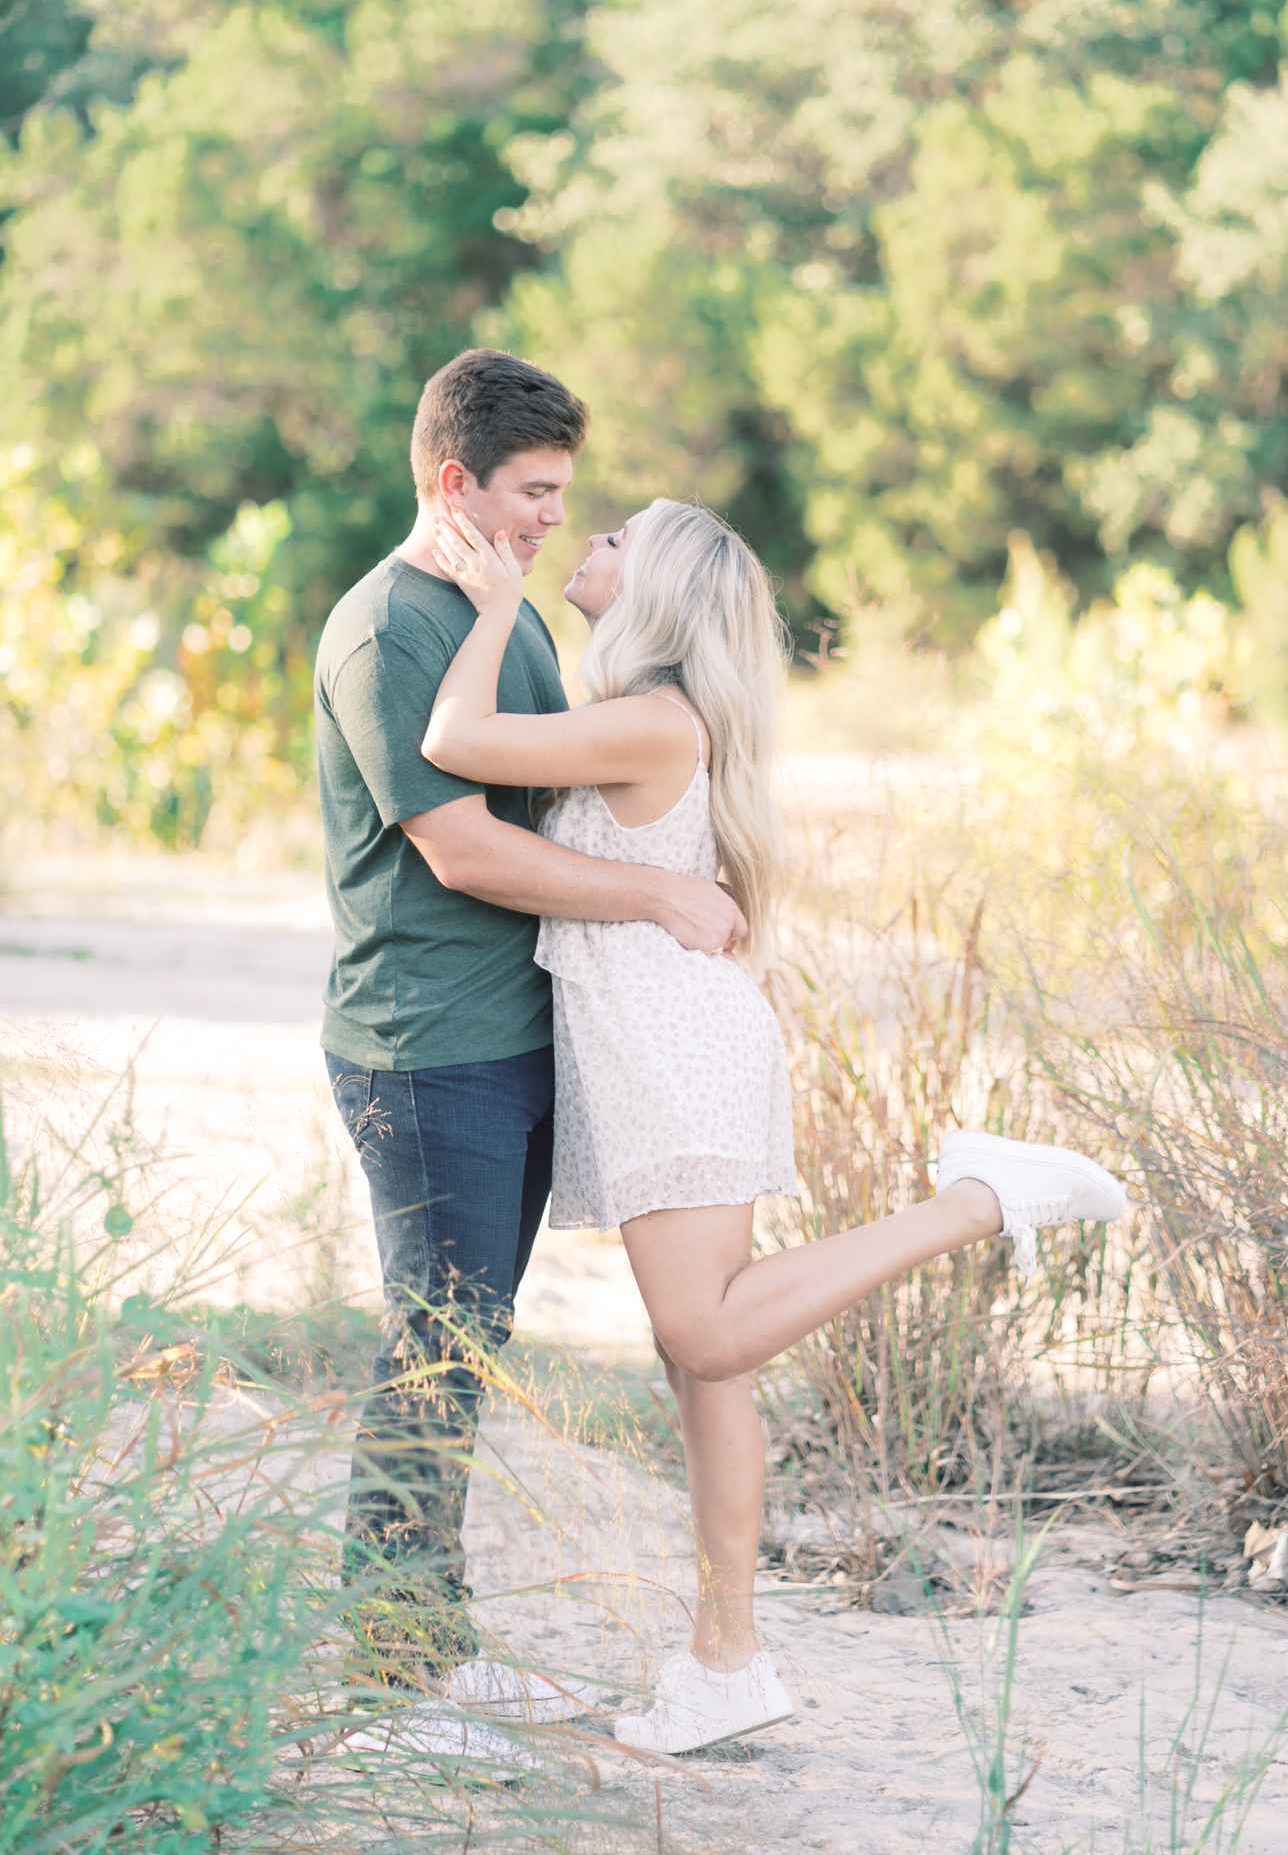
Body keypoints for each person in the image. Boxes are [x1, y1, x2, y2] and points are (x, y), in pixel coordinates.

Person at [420, 493, 1128, 1755]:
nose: (588, 539)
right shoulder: (651, 719)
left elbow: (456, 738)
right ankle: (724, 1662)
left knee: (702, 1325)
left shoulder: (648, 718)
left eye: (619, 538)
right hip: (665, 1042)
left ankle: (977, 1199)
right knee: (707, 1362)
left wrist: (487, 605)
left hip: (670, 1051)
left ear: (661, 592)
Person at [314, 350, 746, 1709]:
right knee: (435, 1342)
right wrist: (662, 894)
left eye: (567, 492)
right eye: (534, 491)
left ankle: (425, 1644)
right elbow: (466, 854)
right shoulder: (392, 627)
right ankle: (393, 1675)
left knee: (468, 1339)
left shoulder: (507, 616)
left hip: (513, 1034)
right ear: (457, 483)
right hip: (428, 1039)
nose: (556, 516)